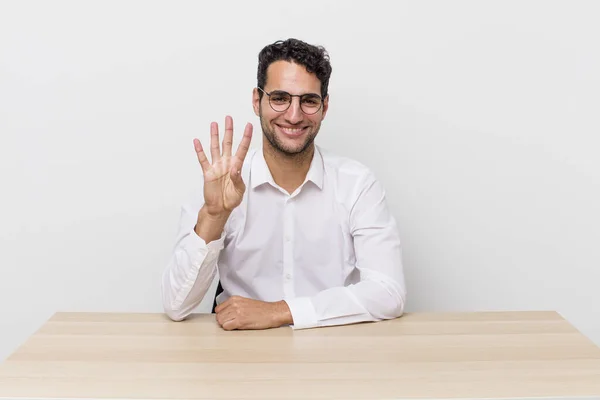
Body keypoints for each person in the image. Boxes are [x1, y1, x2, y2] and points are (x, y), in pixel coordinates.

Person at [161, 38, 406, 330]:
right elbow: (176, 306)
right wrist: (214, 217)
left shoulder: (357, 185)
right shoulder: (223, 182)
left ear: (324, 106)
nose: (293, 115)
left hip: (336, 351)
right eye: (280, 98)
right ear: (257, 101)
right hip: (242, 356)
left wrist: (281, 311)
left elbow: (388, 293)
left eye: (309, 101)